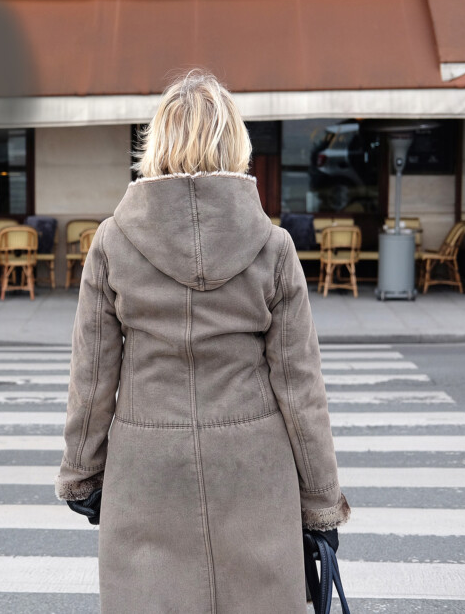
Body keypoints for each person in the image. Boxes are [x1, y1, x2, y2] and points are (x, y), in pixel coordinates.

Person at [56, 71, 349, 613]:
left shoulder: (113, 243)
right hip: (254, 470)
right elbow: (300, 388)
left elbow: (93, 376)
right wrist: (320, 505)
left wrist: (82, 473)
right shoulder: (274, 247)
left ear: (157, 142)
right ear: (235, 141)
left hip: (148, 469)